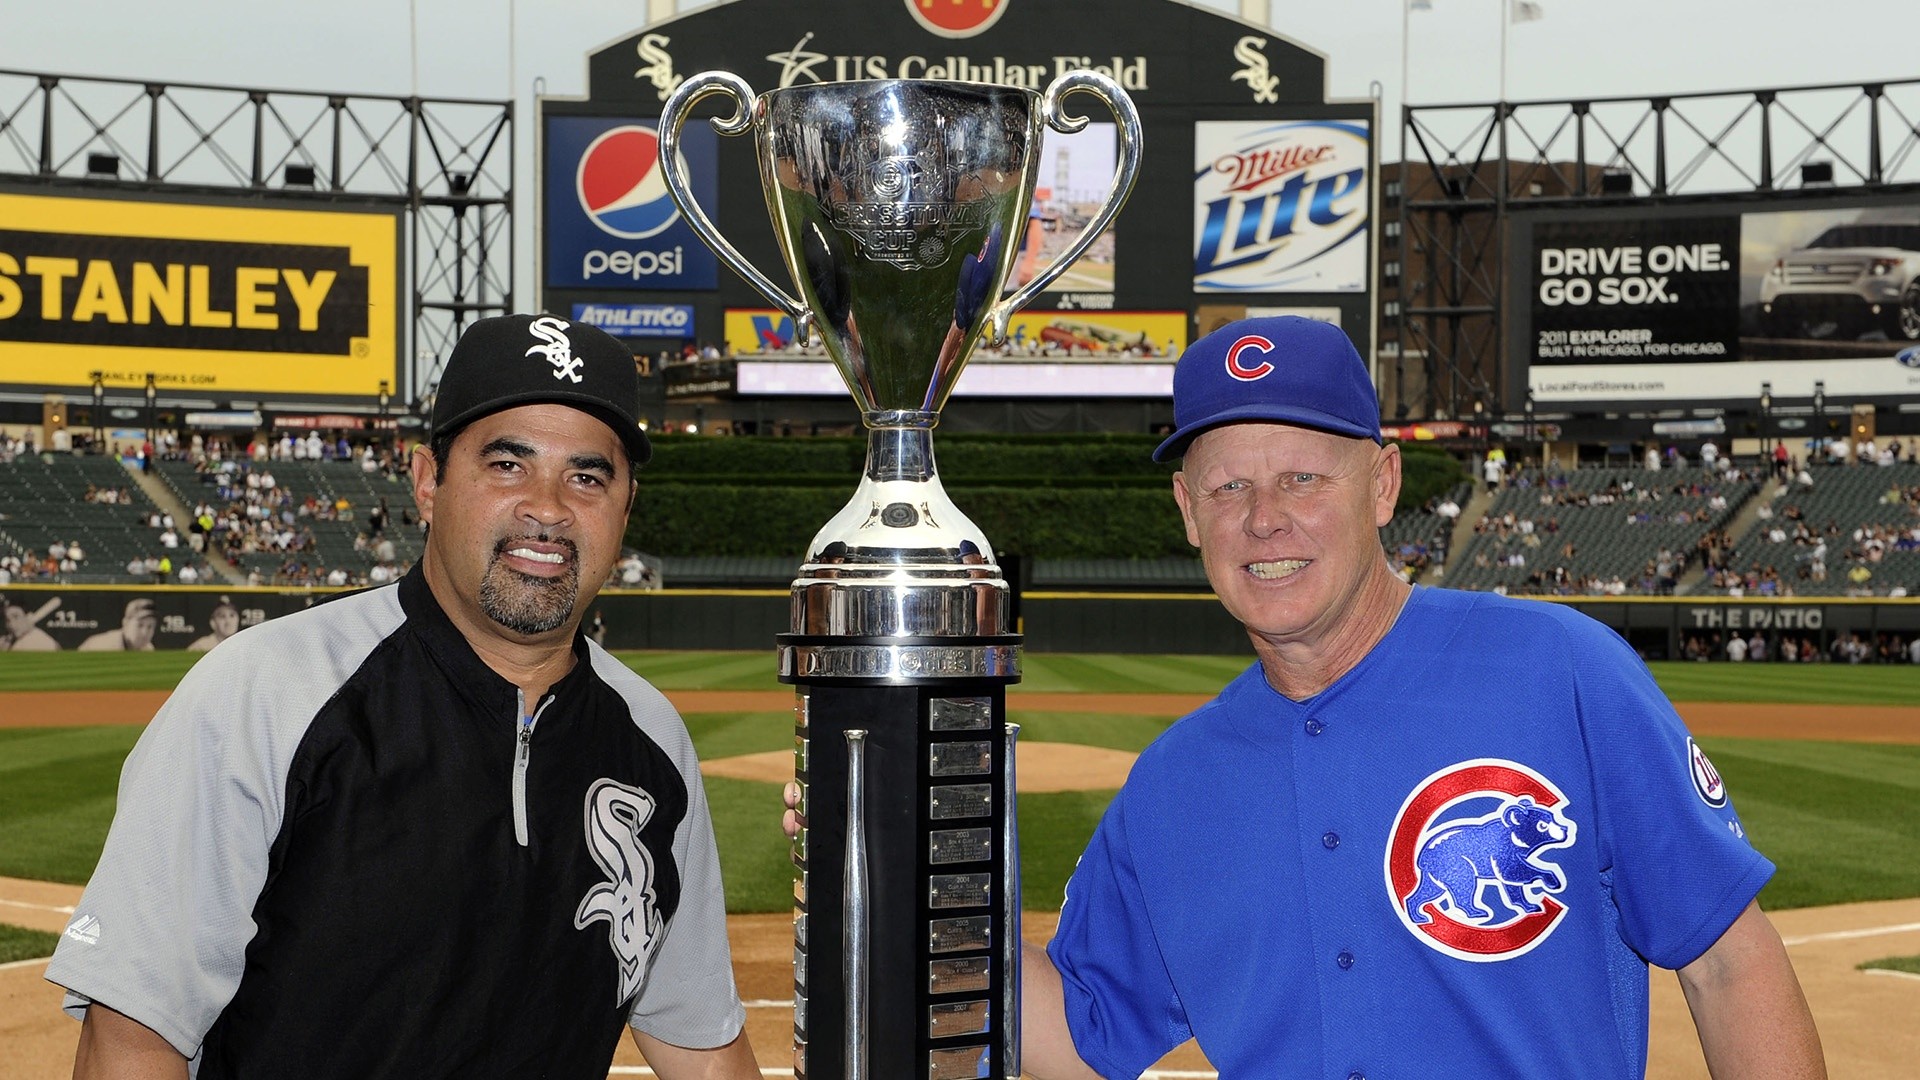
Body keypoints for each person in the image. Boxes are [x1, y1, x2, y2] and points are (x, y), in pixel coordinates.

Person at [792, 316, 1824, 1079]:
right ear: (1188, 513)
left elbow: (1728, 966)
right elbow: (1081, 1028)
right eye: (1230, 487)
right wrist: (887, 862)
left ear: (1381, 485)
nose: (1264, 519)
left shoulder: (1561, 670)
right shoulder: (1176, 784)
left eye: (1302, 480)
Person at [48, 314, 759, 1080]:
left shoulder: (653, 743)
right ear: (428, 482)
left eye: (588, 476)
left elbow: (700, 1043)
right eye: (508, 464)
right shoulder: (265, 695)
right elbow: (132, 1038)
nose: (549, 508)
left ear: (625, 508)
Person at [78, 598, 158, 651]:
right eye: (140, 625)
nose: (145, 632)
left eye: (150, 627)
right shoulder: (104, 646)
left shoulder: (147, 648)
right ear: (125, 623)